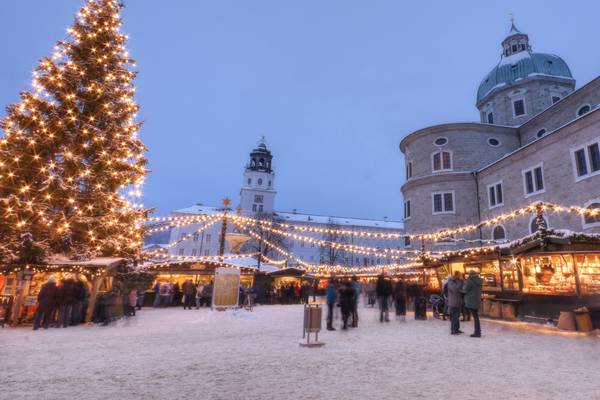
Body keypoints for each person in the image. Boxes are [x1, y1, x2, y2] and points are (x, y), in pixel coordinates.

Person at [462, 270, 483, 338]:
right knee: (476, 317)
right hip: (477, 300)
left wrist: (464, 285)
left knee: (475, 317)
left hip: (471, 301)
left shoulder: (470, 281)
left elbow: (465, 289)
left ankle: (477, 332)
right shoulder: (479, 280)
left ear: (470, 275)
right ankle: (478, 331)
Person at [446, 271, 464, 335]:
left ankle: (457, 329)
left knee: (457, 316)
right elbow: (454, 289)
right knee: (454, 316)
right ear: (456, 275)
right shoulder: (451, 281)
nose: (460, 276)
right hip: (453, 301)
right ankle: (453, 330)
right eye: (459, 275)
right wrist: (460, 283)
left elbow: (461, 289)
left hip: (458, 301)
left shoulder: (458, 281)